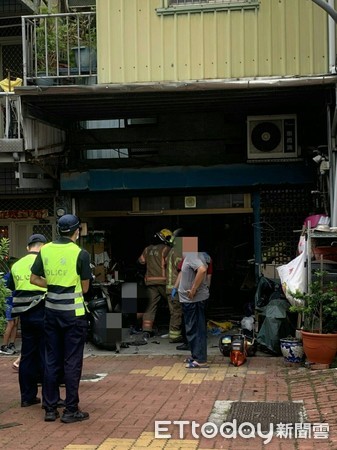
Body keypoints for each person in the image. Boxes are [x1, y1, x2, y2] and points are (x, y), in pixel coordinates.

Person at [30, 214, 91, 423]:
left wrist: (53, 285)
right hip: (74, 315)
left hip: (51, 313)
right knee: (72, 361)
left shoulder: (45, 249)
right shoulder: (81, 253)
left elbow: (33, 278)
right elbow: (84, 287)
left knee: (51, 359)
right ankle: (71, 409)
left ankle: (50, 408)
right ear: (77, 231)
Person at [7, 235, 47, 407]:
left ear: (27, 247)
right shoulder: (44, 262)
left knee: (28, 355)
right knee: (47, 353)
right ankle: (50, 399)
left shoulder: (16, 265)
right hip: (44, 311)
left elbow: (11, 286)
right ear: (43, 247)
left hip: (25, 315)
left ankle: (27, 397)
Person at [175, 246, 210, 368]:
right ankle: (196, 355)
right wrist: (176, 288)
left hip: (194, 300)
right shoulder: (191, 256)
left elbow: (202, 270)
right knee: (193, 329)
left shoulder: (192, 255)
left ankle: (200, 359)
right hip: (191, 300)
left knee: (196, 329)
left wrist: (193, 289)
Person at [137, 228, 172, 337]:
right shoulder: (166, 249)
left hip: (150, 282)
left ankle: (146, 330)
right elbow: (171, 263)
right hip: (164, 282)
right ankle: (176, 330)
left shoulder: (147, 249)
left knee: (150, 307)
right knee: (174, 306)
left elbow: (141, 261)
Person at [165, 229, 183, 343]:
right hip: (175, 287)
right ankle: (175, 336)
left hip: (170, 287)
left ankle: (175, 334)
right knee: (177, 312)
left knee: (174, 312)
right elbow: (183, 269)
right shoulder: (177, 251)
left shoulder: (172, 250)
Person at [0, 257, 19, 355]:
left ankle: (11, 344)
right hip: (9, 303)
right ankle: (4, 346)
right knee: (10, 323)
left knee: (15, 324)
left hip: (15, 302)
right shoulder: (7, 277)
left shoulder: (15, 276)